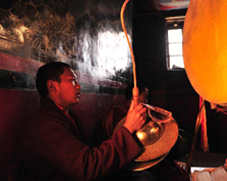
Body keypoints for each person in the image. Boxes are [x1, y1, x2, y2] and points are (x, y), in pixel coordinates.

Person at [18, 62, 153, 181]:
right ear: (52, 86)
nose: (78, 87)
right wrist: (128, 129)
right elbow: (86, 168)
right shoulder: (45, 125)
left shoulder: (65, 114)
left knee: (140, 175)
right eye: (72, 81)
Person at [93, 83, 190, 181]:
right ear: (134, 97)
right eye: (145, 97)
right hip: (126, 163)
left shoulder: (122, 110)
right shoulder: (122, 115)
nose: (147, 101)